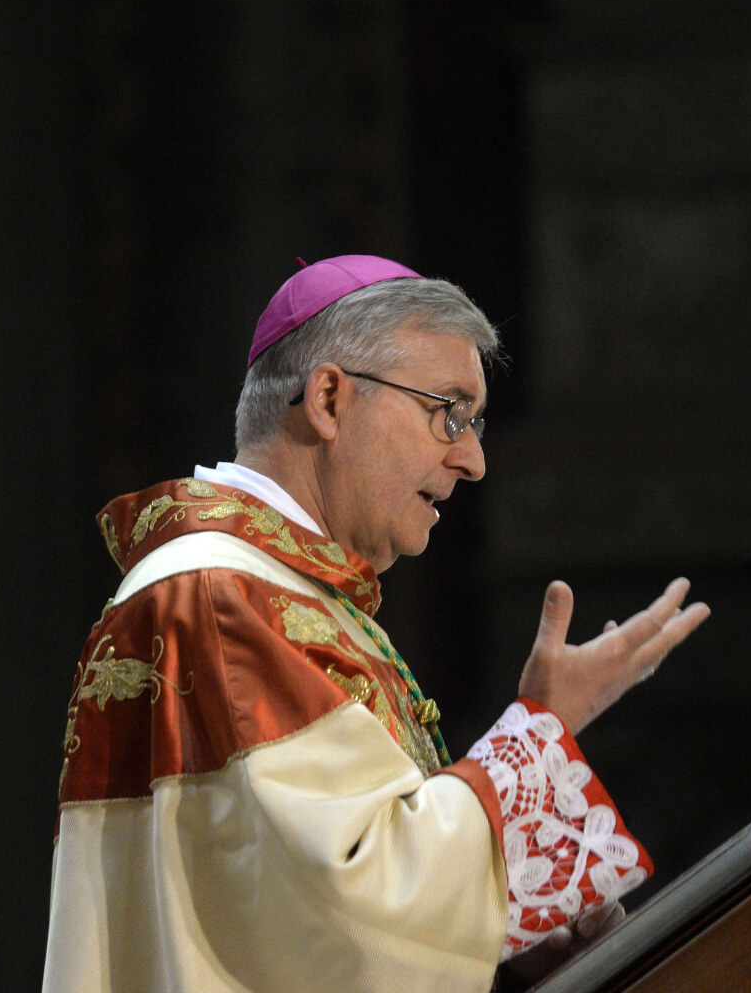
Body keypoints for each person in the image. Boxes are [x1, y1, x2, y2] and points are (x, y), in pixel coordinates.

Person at [42, 256, 710, 993]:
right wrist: (539, 729)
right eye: (448, 413)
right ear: (328, 399)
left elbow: (285, 911)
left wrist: (498, 933)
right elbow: (351, 911)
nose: (473, 460)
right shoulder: (218, 597)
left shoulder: (276, 594)